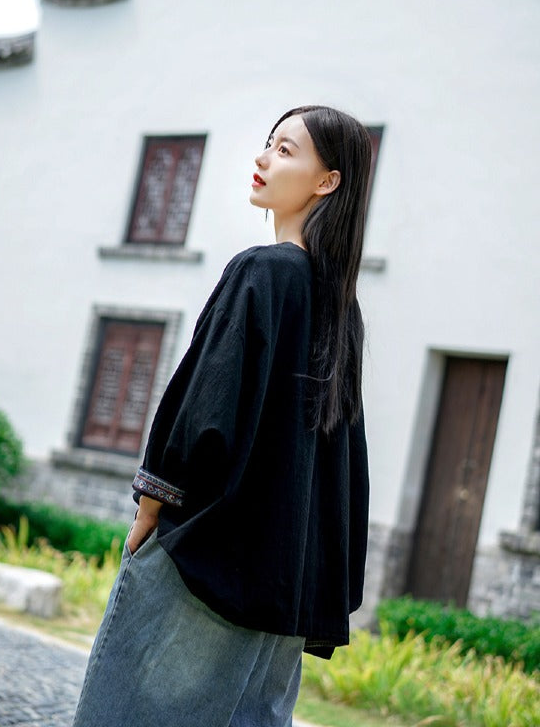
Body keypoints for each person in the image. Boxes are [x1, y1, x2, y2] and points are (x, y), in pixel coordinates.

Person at [71, 105, 371, 727]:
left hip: (208, 557)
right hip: (283, 581)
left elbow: (206, 407)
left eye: (285, 150)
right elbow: (343, 458)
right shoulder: (341, 306)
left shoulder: (262, 271)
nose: (262, 158)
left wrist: (151, 507)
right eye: (268, 144)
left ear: (327, 181)